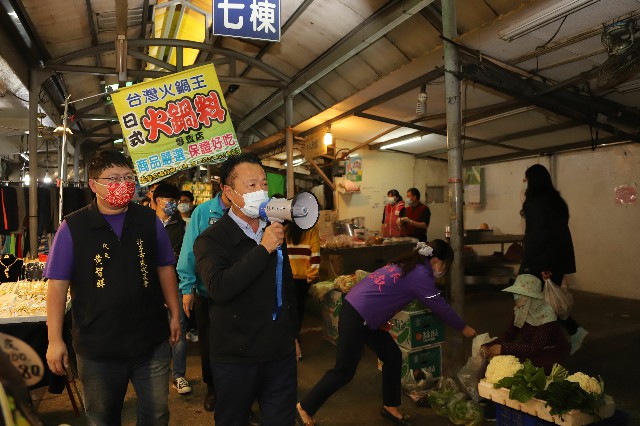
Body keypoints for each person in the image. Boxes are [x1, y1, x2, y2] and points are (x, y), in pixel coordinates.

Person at [45, 150, 180, 425]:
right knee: (102, 418)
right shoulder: (73, 227)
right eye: (114, 178)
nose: (123, 183)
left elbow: (165, 267)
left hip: (150, 341)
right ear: (94, 185)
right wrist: (54, 339)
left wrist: (175, 313)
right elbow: (57, 285)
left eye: (128, 177)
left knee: (157, 414)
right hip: (98, 348)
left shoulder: (148, 220)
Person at [297, 239, 476, 426]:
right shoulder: (421, 274)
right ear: (437, 260)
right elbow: (440, 306)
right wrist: (463, 327)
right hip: (358, 316)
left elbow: (387, 292)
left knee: (392, 355)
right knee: (344, 371)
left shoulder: (406, 263)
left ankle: (390, 407)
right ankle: (304, 408)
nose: (443, 269)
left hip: (361, 312)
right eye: (445, 264)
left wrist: (380, 318)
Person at [194, 153, 299, 425]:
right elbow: (219, 288)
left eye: (263, 184)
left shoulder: (274, 230)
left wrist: (293, 333)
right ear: (228, 192)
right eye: (251, 186)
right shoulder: (211, 240)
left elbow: (286, 285)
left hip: (278, 351)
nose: (261, 191)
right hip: (235, 356)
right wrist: (263, 248)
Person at [519, 164, 587, 355]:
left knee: (531, 305)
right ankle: (568, 334)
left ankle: (543, 347)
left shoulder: (534, 202)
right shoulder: (557, 201)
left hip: (541, 261)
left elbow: (538, 234)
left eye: (526, 179)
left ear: (533, 180)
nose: (525, 184)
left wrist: (540, 265)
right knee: (549, 304)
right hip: (558, 259)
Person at [177, 187, 231, 411]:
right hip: (206, 293)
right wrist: (187, 287)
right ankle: (213, 389)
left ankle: (239, 393)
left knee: (239, 344)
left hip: (240, 294)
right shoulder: (203, 212)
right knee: (209, 345)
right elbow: (189, 250)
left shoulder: (249, 210)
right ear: (227, 187)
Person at [481, 274, 570, 374]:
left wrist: (503, 348)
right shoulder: (521, 310)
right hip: (532, 348)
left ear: (532, 297)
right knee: (499, 360)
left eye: (521, 294)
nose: (516, 297)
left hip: (551, 352)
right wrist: (488, 345)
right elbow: (508, 335)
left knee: (519, 368)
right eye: (516, 292)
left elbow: (535, 348)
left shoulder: (546, 316)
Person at [152, 183, 191, 395]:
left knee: (178, 328)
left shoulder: (182, 225)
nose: (174, 205)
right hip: (149, 286)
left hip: (175, 283)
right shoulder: (145, 223)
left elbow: (187, 256)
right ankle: (154, 373)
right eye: (170, 200)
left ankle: (179, 375)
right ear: (158, 200)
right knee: (152, 329)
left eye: (175, 201)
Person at [285, 220, 320, 358]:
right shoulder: (310, 230)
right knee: (298, 309)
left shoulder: (286, 229)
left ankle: (291, 339)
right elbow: (315, 254)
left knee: (289, 308)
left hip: (287, 276)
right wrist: (312, 274)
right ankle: (295, 338)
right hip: (303, 278)